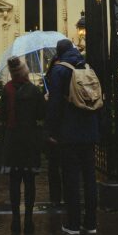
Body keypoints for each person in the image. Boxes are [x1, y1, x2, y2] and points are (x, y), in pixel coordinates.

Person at [45, 39, 99, 235]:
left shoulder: (60, 70)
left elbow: (55, 104)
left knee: (71, 178)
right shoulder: (87, 66)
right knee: (90, 177)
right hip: (90, 131)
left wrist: (50, 131)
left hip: (69, 133)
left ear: (59, 53)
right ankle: (91, 222)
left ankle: (73, 224)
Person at [0, 56, 45, 234]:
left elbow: (2, 115)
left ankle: (15, 220)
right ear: (25, 71)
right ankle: (29, 220)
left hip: (13, 140)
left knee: (14, 181)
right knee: (29, 182)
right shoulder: (34, 91)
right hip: (29, 140)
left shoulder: (7, 89)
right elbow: (42, 114)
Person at [43, 56, 64, 207]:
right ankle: (55, 196)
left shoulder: (67, 81)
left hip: (65, 128)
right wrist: (44, 100)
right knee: (53, 165)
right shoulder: (46, 84)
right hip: (52, 129)